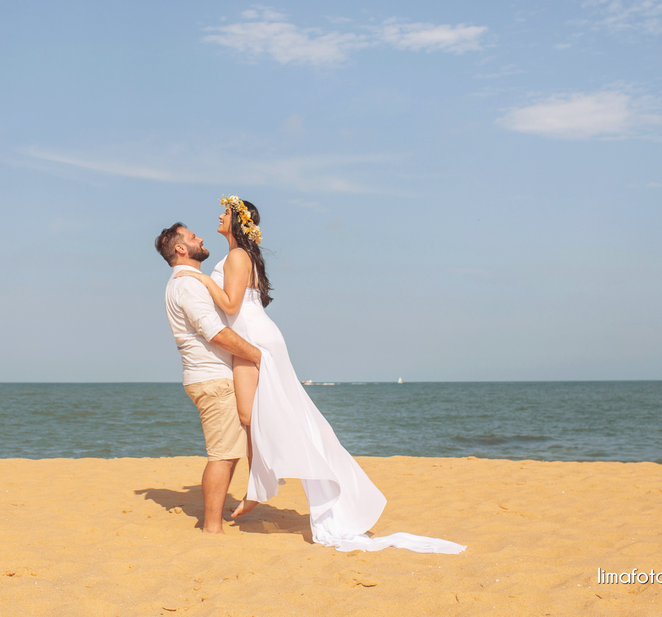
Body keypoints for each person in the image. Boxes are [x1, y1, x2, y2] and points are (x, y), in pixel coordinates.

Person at [171, 196, 466, 554]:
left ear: (237, 220)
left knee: (255, 416)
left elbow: (231, 306)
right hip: (255, 334)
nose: (219, 215)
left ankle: (261, 485)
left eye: (225, 212)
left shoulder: (235, 257)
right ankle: (260, 484)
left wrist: (198, 278)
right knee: (256, 416)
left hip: (253, 339)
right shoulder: (237, 256)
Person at [155, 221, 263, 535]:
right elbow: (213, 331)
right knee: (224, 455)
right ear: (180, 248)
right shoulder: (186, 285)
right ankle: (212, 527)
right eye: (192, 237)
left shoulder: (188, 281)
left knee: (229, 451)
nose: (200, 237)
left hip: (208, 377)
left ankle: (218, 520)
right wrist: (257, 355)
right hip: (212, 379)